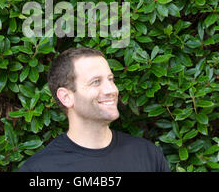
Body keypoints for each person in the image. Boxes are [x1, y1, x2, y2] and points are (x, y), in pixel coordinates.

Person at [18, 47, 170, 172]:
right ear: (66, 97)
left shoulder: (148, 155)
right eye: (96, 82)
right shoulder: (40, 170)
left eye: (110, 79)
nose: (111, 89)